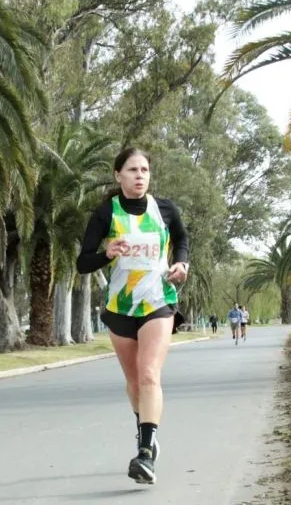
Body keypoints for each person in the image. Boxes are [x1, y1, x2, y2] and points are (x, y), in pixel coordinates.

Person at [76, 147, 189, 485]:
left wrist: (181, 263)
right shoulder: (105, 213)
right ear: (118, 175)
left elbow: (182, 238)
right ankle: (146, 433)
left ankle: (144, 452)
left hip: (158, 301)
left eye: (144, 170)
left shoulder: (165, 209)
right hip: (121, 306)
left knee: (149, 375)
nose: (140, 176)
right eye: (132, 170)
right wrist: (106, 254)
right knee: (133, 381)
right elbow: (83, 262)